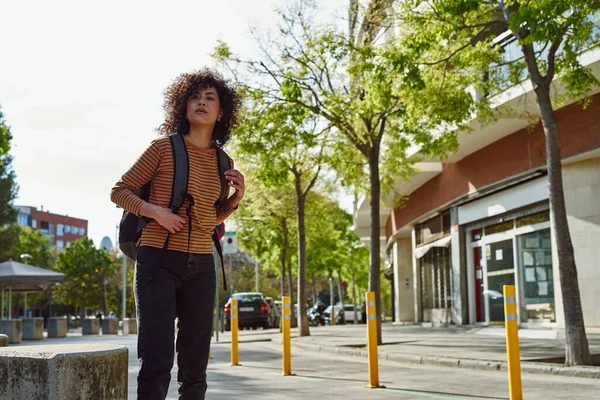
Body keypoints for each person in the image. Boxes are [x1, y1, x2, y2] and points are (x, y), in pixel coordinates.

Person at [111, 68, 244, 400]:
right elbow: (119, 190)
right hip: (157, 260)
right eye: (195, 97)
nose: (201, 102)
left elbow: (209, 219)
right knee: (157, 361)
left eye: (210, 98)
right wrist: (155, 212)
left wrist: (235, 199)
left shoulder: (222, 161)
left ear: (221, 111)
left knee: (196, 367)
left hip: (201, 265)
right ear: (183, 107)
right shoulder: (162, 149)